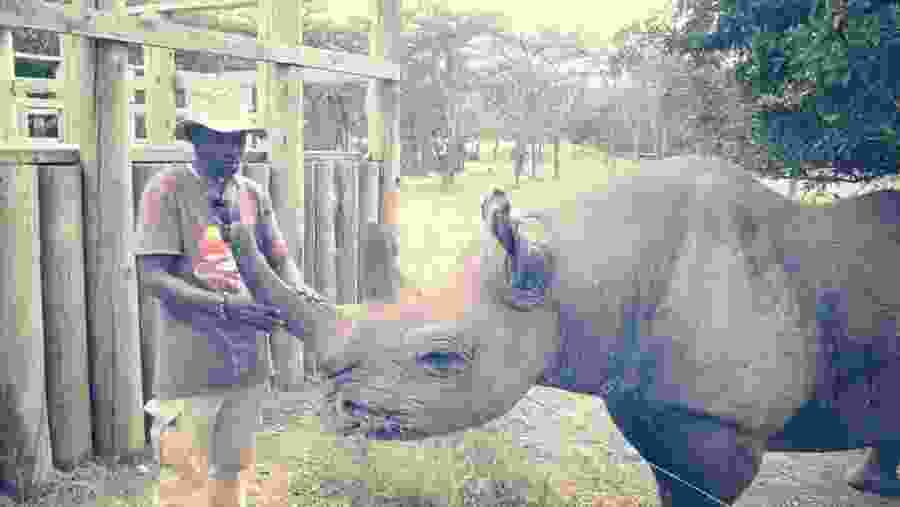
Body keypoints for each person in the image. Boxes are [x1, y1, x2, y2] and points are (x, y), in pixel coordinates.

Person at [136, 112, 306, 507]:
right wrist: (228, 307)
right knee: (184, 487)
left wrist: (296, 294)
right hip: (190, 368)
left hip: (247, 367)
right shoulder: (165, 190)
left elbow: (280, 258)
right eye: (220, 139)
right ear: (195, 138)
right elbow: (152, 277)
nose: (232, 151)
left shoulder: (252, 193)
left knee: (232, 480)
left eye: (239, 140)